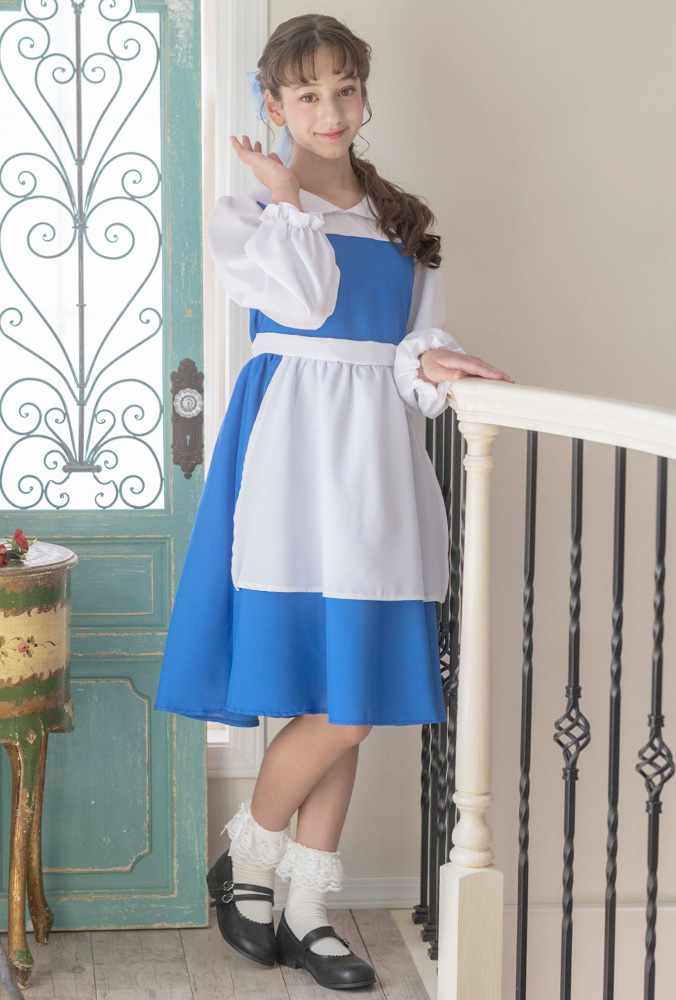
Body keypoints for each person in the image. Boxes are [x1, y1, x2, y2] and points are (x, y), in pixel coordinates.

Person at [153, 12, 514, 990]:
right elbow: (308, 302)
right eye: (306, 94)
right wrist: (287, 199)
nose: (328, 109)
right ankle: (266, 873)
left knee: (346, 699)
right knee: (331, 702)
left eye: (343, 89)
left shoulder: (403, 221)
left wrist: (439, 364)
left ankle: (289, 894)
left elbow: (408, 346)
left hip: (374, 465)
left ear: (364, 96)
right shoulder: (248, 213)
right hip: (291, 459)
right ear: (273, 106)